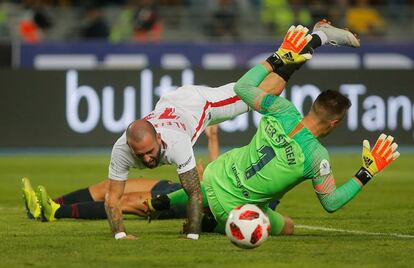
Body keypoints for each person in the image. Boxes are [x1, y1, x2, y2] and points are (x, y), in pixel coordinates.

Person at [147, 25, 400, 236]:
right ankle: (206, 220)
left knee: (214, 186)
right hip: (235, 207)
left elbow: (243, 88)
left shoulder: (282, 110)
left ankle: (168, 200)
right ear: (335, 123)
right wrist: (366, 172)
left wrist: (276, 58)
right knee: (287, 227)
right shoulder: (316, 157)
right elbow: (331, 203)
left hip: (215, 175)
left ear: (313, 105)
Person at [22, 125, 220, 222]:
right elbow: (217, 171)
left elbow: (206, 196)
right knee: (108, 188)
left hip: (174, 202)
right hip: (170, 185)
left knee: (122, 202)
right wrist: (213, 137)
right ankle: (44, 204)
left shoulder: (227, 203)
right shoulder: (230, 181)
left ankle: (55, 212)